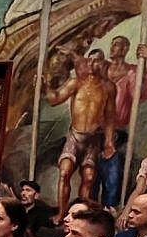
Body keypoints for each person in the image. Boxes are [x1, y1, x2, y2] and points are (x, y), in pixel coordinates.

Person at [48, 46, 114, 205]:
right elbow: (55, 99)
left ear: (103, 63)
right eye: (89, 60)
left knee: (89, 178)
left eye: (96, 60)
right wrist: (45, 86)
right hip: (75, 136)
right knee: (64, 173)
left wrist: (109, 141)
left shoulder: (108, 87)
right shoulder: (76, 83)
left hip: (92, 138)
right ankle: (62, 213)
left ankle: (80, 214)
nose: (92, 64)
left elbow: (110, 116)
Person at [99, 37, 147, 205]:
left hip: (117, 128)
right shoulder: (101, 67)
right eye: (112, 43)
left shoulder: (132, 72)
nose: (113, 47)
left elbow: (142, 88)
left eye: (117, 44)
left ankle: (109, 206)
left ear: (125, 49)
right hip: (94, 127)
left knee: (113, 163)